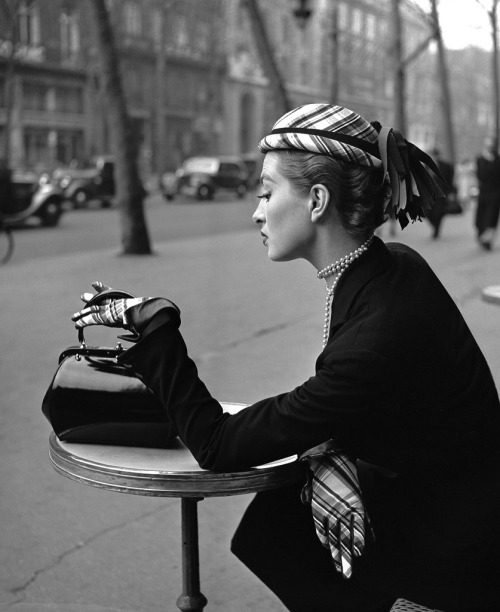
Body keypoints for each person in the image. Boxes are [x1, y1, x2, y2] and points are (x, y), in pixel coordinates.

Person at [71, 104, 500, 612]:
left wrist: (155, 324)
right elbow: (384, 406)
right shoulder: (391, 267)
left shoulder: (375, 335)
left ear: (317, 200)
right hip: (447, 497)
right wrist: (330, 454)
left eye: (267, 193)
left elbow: (217, 444)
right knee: (273, 521)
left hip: (458, 545)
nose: (257, 211)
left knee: (278, 534)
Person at [475, 135, 500, 250]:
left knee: (492, 217)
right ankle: (482, 235)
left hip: (495, 193)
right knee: (481, 217)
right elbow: (479, 175)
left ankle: (488, 240)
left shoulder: (498, 159)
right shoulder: (480, 159)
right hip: (484, 193)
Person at [426, 147, 457, 239]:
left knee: (439, 212)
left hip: (441, 193)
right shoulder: (425, 166)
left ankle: (437, 229)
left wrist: (451, 192)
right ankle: (434, 225)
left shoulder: (446, 166)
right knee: (427, 212)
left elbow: (450, 181)